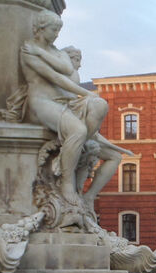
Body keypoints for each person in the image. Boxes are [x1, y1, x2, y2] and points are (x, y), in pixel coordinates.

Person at [20, 10, 107, 202]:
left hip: (62, 103)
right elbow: (57, 78)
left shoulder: (51, 52)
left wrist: (41, 51)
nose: (57, 34)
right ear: (41, 28)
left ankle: (73, 153)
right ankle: (67, 183)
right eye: (54, 30)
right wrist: (86, 93)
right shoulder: (28, 49)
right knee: (77, 130)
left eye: (59, 30)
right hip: (41, 102)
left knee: (100, 105)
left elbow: (67, 69)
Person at [61, 46, 132, 211]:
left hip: (80, 130)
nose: (79, 65)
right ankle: (71, 188)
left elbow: (93, 134)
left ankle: (89, 196)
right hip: (67, 123)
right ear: (66, 58)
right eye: (76, 60)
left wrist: (120, 148)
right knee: (85, 147)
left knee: (115, 156)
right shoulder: (64, 75)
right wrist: (90, 96)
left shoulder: (72, 76)